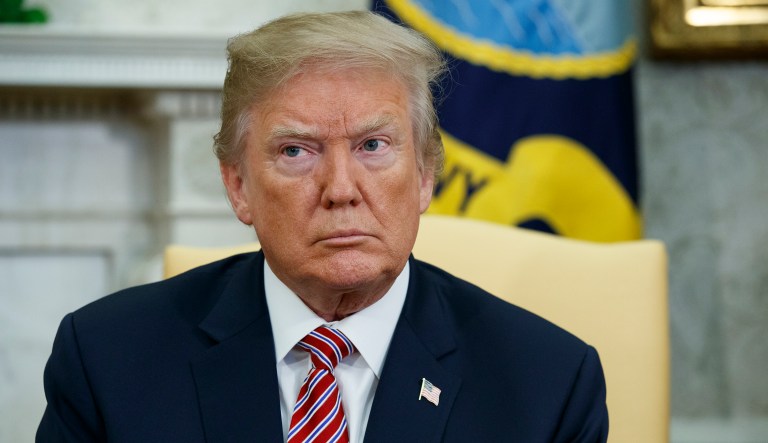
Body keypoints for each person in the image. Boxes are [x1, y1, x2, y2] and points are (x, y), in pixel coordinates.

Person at [36, 11, 608, 443]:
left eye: (373, 145)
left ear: (426, 173)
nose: (340, 189)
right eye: (295, 151)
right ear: (238, 186)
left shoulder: (547, 384)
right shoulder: (107, 361)